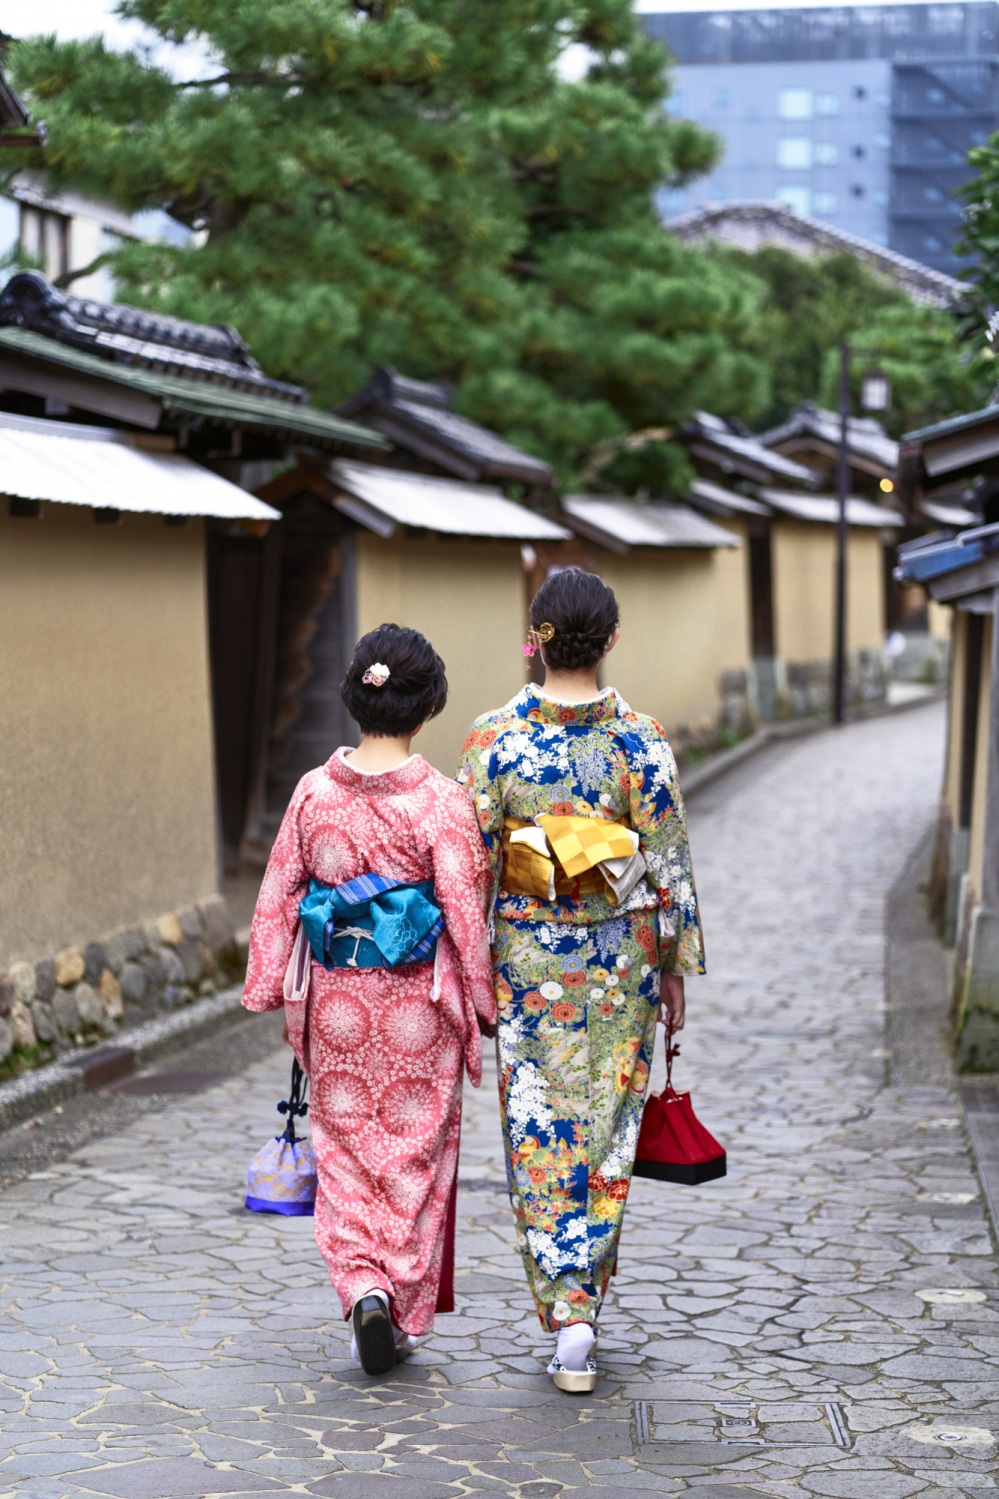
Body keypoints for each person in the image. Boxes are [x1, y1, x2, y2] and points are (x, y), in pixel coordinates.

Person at [458, 568, 704, 1393]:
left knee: (537, 1136)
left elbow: (470, 869)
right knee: (604, 1135)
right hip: (619, 963)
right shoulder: (639, 736)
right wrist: (672, 967)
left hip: (527, 963)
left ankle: (562, 1310)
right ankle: (581, 1311)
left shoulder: (492, 737)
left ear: (534, 636)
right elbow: (664, 861)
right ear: (611, 639)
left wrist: (471, 969)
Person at [243, 623, 496, 1376]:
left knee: (346, 1150)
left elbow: (278, 893)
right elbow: (462, 910)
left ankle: (361, 1286)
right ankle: (398, 1297)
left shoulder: (313, 793)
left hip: (339, 1002)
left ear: (358, 695)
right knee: (413, 1157)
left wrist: (265, 983)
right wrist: (482, 1003)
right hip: (418, 1004)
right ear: (427, 706)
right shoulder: (443, 803)